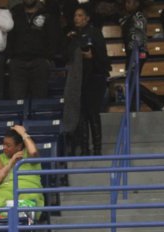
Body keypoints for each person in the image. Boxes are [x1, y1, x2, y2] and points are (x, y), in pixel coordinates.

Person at [65, 6, 110, 155]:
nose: (76, 18)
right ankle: (85, 149)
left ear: (87, 18)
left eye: (79, 15)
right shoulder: (73, 36)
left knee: (92, 112)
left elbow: (101, 55)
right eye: (75, 15)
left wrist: (91, 55)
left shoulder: (95, 33)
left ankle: (97, 149)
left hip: (94, 77)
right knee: (82, 113)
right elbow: (67, 55)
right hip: (79, 79)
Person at [0, 125, 44, 224]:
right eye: (3, 144)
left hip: (28, 191)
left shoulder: (29, 155)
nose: (4, 147)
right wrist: (11, 163)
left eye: (8, 145)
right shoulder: (0, 158)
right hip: (6, 192)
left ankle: (23, 228)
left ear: (19, 146)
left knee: (28, 201)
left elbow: (33, 152)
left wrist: (23, 133)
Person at [7, 0, 63, 99]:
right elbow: (9, 36)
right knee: (16, 100)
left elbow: (53, 38)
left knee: (40, 99)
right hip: (18, 63)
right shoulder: (15, 13)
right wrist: (9, 58)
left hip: (39, 62)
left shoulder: (46, 14)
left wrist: (48, 58)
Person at [119, 0, 164, 112]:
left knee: (131, 81)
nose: (127, 4)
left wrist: (137, 49)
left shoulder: (139, 16)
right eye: (127, 2)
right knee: (131, 81)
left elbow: (139, 35)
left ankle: (157, 102)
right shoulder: (128, 17)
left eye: (130, 2)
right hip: (131, 52)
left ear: (137, 3)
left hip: (138, 51)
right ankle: (134, 108)